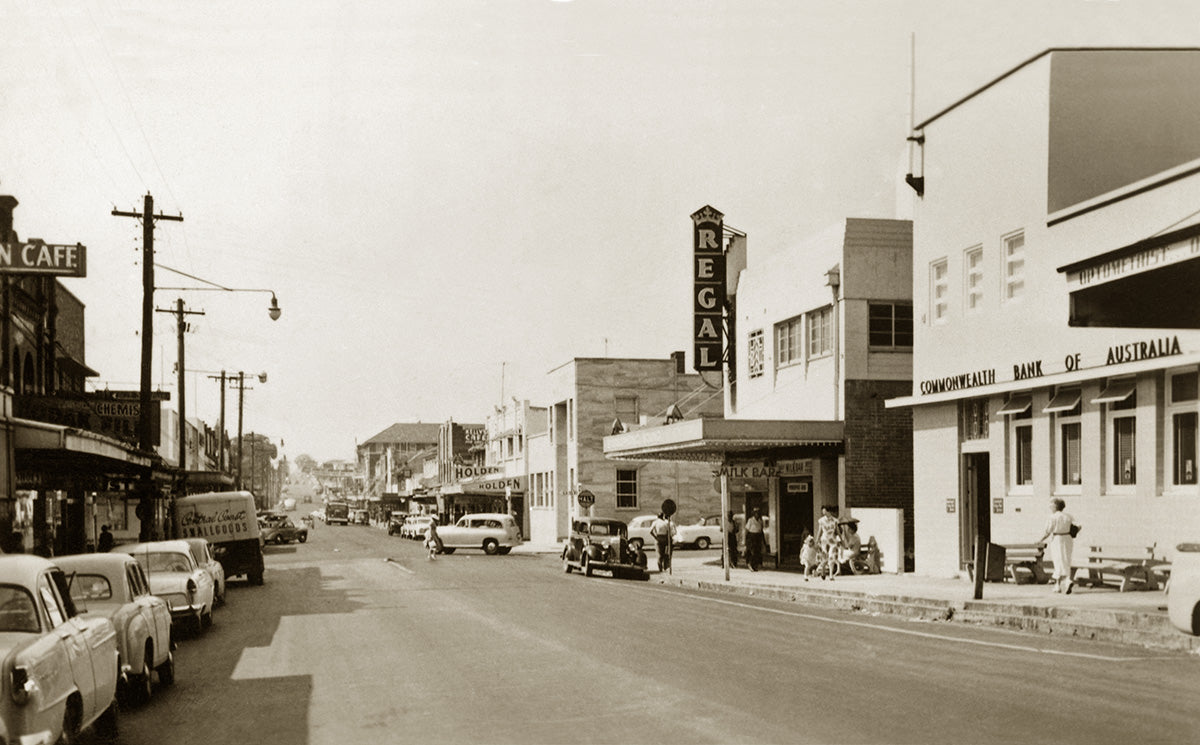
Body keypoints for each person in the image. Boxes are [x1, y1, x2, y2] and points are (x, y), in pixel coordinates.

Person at [1036, 498, 1076, 594]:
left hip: (1057, 539)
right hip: (1068, 539)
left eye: (1051, 505)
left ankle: (1062, 584)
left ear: (1055, 506)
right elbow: (1078, 526)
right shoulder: (1068, 516)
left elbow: (1048, 531)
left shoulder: (1052, 517)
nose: (1050, 507)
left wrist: (1040, 540)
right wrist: (1073, 532)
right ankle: (1063, 582)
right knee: (1066, 560)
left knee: (1058, 560)